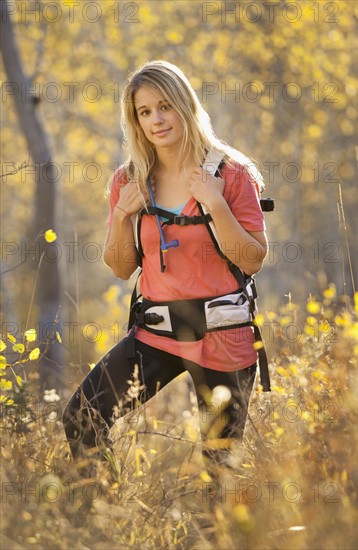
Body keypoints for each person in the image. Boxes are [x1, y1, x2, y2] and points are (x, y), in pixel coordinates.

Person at [62, 60, 268, 472]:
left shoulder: (230, 174)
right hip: (156, 333)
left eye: (165, 106)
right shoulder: (129, 180)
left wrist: (214, 203)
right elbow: (121, 268)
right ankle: (102, 521)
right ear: (135, 121)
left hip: (222, 336)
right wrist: (121, 216)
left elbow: (252, 258)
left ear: (185, 106)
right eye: (144, 112)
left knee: (219, 466)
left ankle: (216, 535)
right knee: (82, 418)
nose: (156, 119)